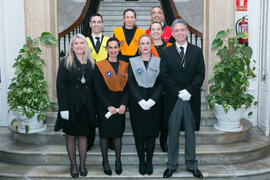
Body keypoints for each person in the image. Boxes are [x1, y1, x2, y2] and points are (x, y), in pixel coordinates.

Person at [160, 19, 205, 179]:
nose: (179, 33)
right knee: (172, 134)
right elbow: (164, 74)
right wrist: (179, 91)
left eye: (182, 30)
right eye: (176, 30)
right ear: (172, 33)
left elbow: (201, 73)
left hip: (190, 99)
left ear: (186, 32)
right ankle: (171, 165)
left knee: (190, 134)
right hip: (174, 99)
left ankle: (192, 164)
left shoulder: (197, 51)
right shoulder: (166, 52)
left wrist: (189, 91)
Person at [55, 34, 96, 178]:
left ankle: (82, 165)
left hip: (86, 106)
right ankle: (73, 166)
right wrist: (63, 107)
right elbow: (60, 86)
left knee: (83, 135)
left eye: (82, 43)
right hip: (71, 106)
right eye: (76, 43)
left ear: (86, 46)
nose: (79, 46)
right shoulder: (65, 61)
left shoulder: (92, 62)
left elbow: (94, 87)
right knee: (71, 136)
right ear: (72, 46)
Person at [128, 34, 162, 175]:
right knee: (139, 134)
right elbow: (130, 83)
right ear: (139, 46)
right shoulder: (132, 61)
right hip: (137, 103)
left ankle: (149, 161)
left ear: (152, 45)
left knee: (151, 133)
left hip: (154, 102)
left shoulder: (159, 61)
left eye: (148, 43)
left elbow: (162, 82)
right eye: (143, 43)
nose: (145, 46)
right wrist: (140, 100)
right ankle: (142, 161)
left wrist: (153, 99)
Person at [94, 37, 129, 176]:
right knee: (104, 135)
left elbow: (127, 89)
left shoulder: (125, 65)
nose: (113, 50)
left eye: (115, 47)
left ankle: (118, 160)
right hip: (105, 106)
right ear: (106, 49)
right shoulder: (100, 65)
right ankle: (105, 161)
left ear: (119, 49)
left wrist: (124, 104)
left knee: (117, 134)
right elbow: (97, 89)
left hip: (119, 105)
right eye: (110, 47)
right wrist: (108, 105)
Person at [86, 13, 110, 151]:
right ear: (89, 24)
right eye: (93, 22)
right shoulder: (84, 41)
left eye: (99, 22)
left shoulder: (109, 41)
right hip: (88, 83)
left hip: (105, 83)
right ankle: (89, 141)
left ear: (102, 24)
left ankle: (110, 140)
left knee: (105, 112)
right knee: (90, 112)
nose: (96, 24)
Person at [149, 22, 172, 152]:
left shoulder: (169, 47)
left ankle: (164, 140)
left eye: (158, 29)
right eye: (153, 29)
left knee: (166, 115)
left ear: (162, 31)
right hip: (151, 86)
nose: (156, 32)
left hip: (167, 87)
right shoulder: (146, 46)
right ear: (150, 32)